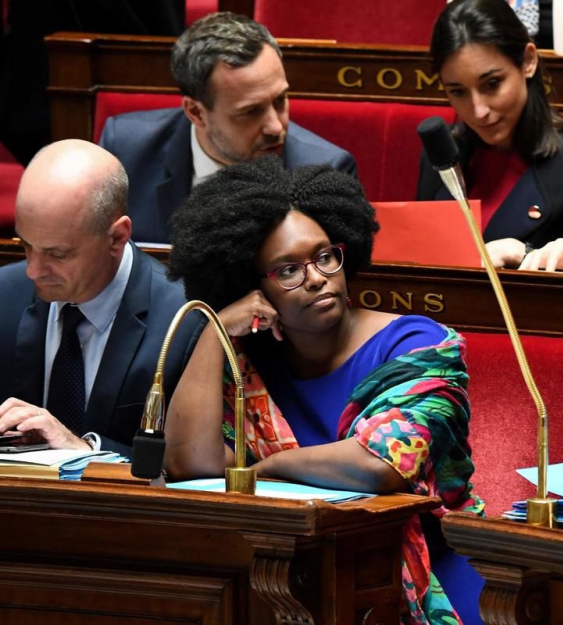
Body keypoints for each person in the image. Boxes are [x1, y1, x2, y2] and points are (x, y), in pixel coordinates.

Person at [164, 155, 483, 624]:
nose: (316, 277)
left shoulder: (420, 344)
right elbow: (190, 464)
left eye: (324, 256)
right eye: (287, 270)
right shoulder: (248, 363)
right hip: (288, 578)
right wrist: (215, 329)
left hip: (426, 575)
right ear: (253, 288)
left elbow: (380, 465)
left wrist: (264, 468)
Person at [0, 139, 201, 455]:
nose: (33, 271)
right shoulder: (3, 294)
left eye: (58, 253)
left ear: (117, 238)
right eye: (26, 245)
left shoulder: (185, 321)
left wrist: (83, 450)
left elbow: (186, 468)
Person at [99, 11, 356, 244]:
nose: (276, 126)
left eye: (280, 100)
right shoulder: (125, 150)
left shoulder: (326, 173)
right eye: (250, 111)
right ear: (196, 112)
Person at [417, 0, 563, 274]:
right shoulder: (442, 154)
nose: (478, 111)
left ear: (528, 61)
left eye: (492, 84)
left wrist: (524, 254)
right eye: (458, 92)